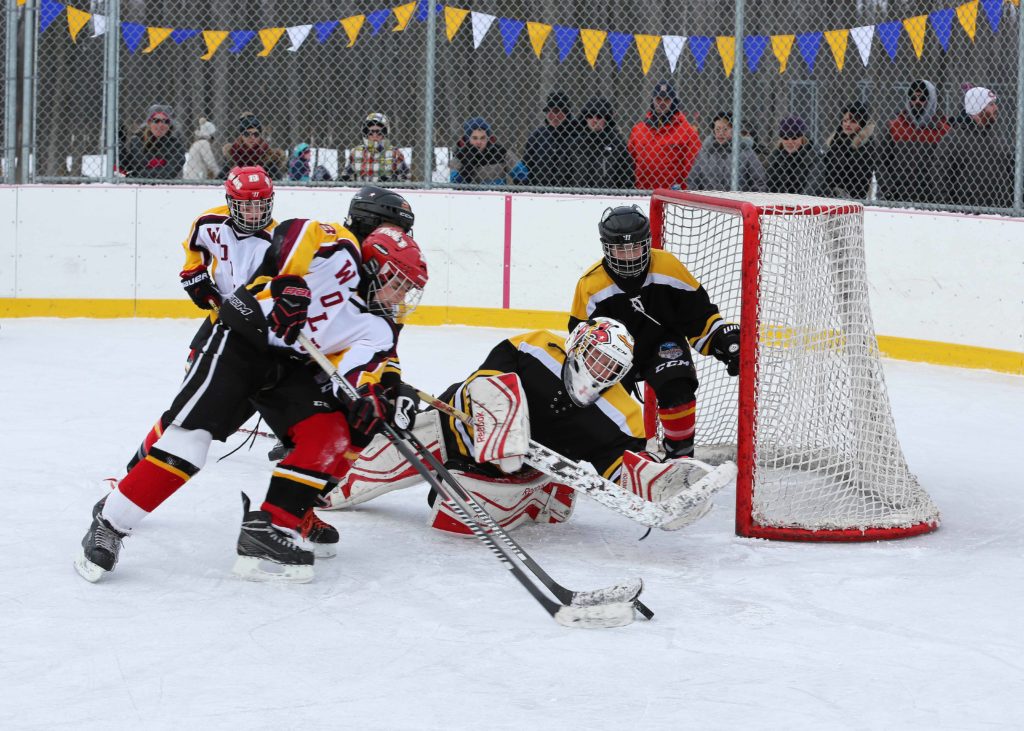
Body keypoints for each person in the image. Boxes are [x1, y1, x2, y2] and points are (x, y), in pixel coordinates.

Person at [75, 219, 429, 584]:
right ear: (375, 264)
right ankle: (109, 524)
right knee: (189, 444)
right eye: (399, 283)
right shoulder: (342, 251)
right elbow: (295, 232)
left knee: (332, 434)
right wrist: (291, 284)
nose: (402, 296)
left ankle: (272, 529)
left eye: (409, 289)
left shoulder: (378, 327)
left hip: (289, 367)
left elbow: (358, 371)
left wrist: (368, 397)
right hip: (242, 340)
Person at [324, 318, 710, 535]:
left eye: (611, 369)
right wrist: (503, 429)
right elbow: (484, 381)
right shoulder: (535, 347)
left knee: (450, 523)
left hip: (513, 475)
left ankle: (540, 496)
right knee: (338, 489)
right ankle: (306, 484)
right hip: (451, 431)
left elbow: (616, 464)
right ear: (577, 346)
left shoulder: (621, 413)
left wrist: (662, 485)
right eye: (595, 358)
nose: (599, 372)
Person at [569, 205, 740, 460]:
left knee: (678, 388)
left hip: (662, 343)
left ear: (647, 243)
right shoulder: (591, 285)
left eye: (635, 248)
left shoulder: (668, 267)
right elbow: (580, 336)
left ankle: (680, 458)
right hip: (615, 353)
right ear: (606, 248)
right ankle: (622, 456)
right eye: (620, 250)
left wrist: (724, 340)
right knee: (611, 405)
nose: (629, 257)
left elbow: (699, 315)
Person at [876, 79, 950, 204]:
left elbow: (948, 167)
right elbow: (880, 161)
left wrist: (941, 195)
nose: (916, 102)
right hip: (896, 198)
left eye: (922, 99)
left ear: (931, 100)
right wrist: (888, 189)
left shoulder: (943, 130)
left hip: (931, 200)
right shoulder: (894, 127)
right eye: (913, 98)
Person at [939, 86, 1013, 209]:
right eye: (991, 105)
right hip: (967, 214)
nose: (996, 108)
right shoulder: (954, 138)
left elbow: (1009, 173)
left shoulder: (996, 137)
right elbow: (941, 177)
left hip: (1000, 213)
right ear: (978, 108)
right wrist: (949, 211)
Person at [627, 80, 701, 190]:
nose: (661, 103)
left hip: (673, 196)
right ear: (652, 100)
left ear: (673, 102)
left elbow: (692, 168)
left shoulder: (687, 132)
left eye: (666, 100)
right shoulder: (638, 130)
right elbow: (629, 162)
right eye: (658, 99)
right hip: (641, 193)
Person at [686, 112, 766, 192]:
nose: (720, 133)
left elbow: (758, 182)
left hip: (738, 201)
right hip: (709, 200)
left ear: (733, 130)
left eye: (725, 129)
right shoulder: (705, 152)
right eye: (717, 129)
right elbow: (693, 180)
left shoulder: (746, 152)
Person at [571, 97, 634, 189]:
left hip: (607, 198)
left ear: (606, 119)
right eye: (590, 116)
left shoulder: (616, 143)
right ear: (585, 119)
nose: (595, 120)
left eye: (599, 116)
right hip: (577, 197)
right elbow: (564, 174)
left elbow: (626, 176)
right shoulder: (575, 143)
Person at [818, 102, 877, 200]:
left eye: (853, 121)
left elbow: (860, 178)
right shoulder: (837, 140)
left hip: (851, 197)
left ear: (861, 123)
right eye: (845, 121)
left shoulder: (866, 145)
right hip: (828, 194)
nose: (847, 124)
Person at [449, 117, 527, 185]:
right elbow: (455, 184)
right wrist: (468, 165)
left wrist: (520, 187)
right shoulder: (460, 156)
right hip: (471, 198)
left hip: (498, 196)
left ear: (488, 138)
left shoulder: (500, 152)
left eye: (483, 138)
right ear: (468, 139)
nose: (479, 142)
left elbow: (522, 173)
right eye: (475, 138)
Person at [522, 91, 577, 188]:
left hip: (569, 195)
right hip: (540, 193)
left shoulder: (576, 136)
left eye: (557, 111)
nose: (554, 116)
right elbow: (527, 167)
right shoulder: (537, 136)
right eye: (549, 111)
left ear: (566, 113)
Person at [120, 104, 187, 180]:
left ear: (170, 125)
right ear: (149, 123)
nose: (161, 125)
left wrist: (137, 175)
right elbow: (126, 167)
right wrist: (120, 147)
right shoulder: (137, 141)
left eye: (165, 121)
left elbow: (169, 172)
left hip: (169, 187)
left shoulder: (176, 143)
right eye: (156, 120)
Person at [341, 112, 409, 183]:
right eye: (371, 132)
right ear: (366, 133)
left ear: (384, 133)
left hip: (385, 192)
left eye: (379, 132)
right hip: (362, 192)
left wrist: (392, 183)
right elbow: (346, 175)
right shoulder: (355, 152)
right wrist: (346, 179)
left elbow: (406, 179)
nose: (375, 135)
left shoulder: (395, 153)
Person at [222, 114, 285, 179]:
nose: (252, 137)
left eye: (256, 134)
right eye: (247, 134)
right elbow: (222, 177)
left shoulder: (268, 155)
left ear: (260, 136)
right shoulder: (231, 153)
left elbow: (276, 180)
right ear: (241, 135)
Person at [765, 116, 816, 195]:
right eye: (785, 137)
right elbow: (769, 185)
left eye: (794, 137)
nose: (790, 142)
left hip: (806, 203)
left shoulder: (812, 156)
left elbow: (812, 187)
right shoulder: (776, 157)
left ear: (802, 137)